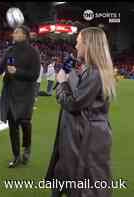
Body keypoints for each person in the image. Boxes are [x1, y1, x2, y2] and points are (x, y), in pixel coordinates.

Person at [46, 27, 116, 197]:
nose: (76, 46)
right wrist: (70, 75)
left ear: (88, 45)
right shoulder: (92, 70)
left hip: (86, 138)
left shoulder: (94, 73)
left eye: (78, 42)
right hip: (85, 135)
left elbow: (73, 103)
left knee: (85, 185)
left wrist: (62, 82)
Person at [0, 25, 41, 167]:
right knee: (12, 126)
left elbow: (34, 76)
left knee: (25, 122)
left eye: (17, 32)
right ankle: (16, 156)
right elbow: (1, 65)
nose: (13, 34)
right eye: (14, 32)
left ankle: (27, 147)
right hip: (10, 92)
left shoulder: (33, 53)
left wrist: (17, 71)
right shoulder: (10, 50)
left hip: (25, 93)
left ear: (25, 35)